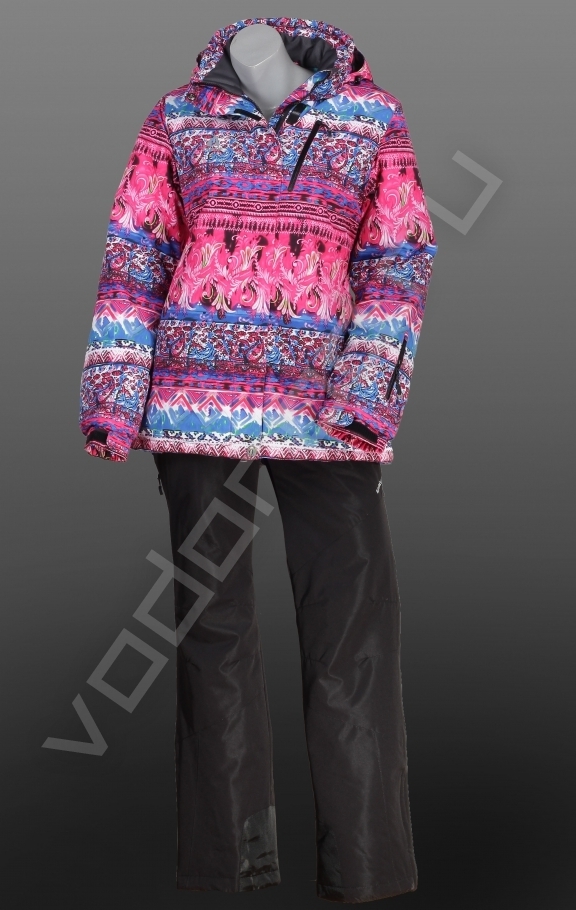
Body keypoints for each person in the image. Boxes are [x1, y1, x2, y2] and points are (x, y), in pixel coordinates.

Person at [78, 16, 438, 902]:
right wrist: (114, 399)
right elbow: (135, 255)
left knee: (353, 633)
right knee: (213, 632)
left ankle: (366, 868)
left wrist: (365, 396)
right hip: (196, 406)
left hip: (328, 415)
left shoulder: (371, 119)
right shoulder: (177, 118)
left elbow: (399, 260)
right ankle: (229, 866)